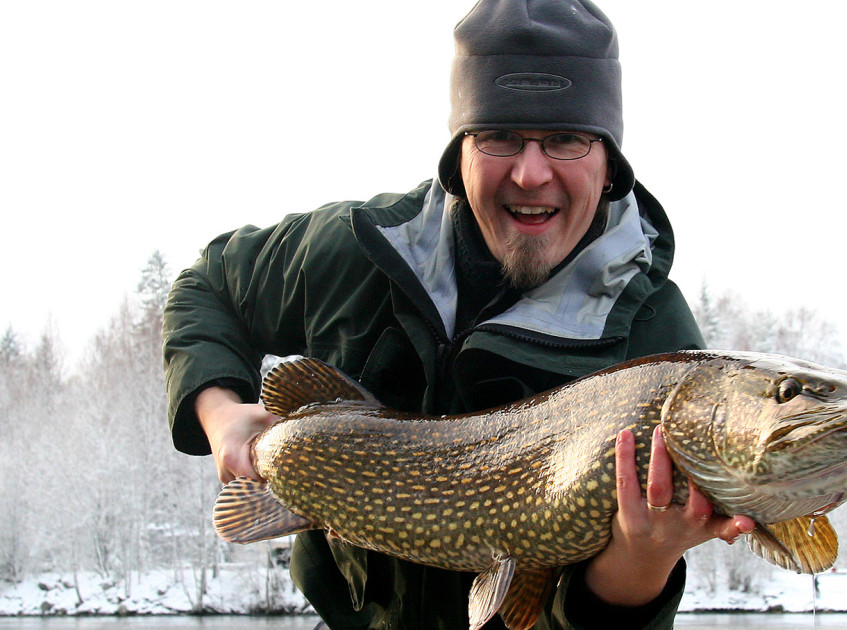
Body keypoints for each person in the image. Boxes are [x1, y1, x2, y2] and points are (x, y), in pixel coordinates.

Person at [163, 1, 754, 628]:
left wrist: (639, 567)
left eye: (566, 138)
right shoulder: (354, 250)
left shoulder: (654, 339)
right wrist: (219, 413)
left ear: (609, 164)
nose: (531, 173)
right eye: (500, 135)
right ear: (459, 151)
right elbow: (208, 285)